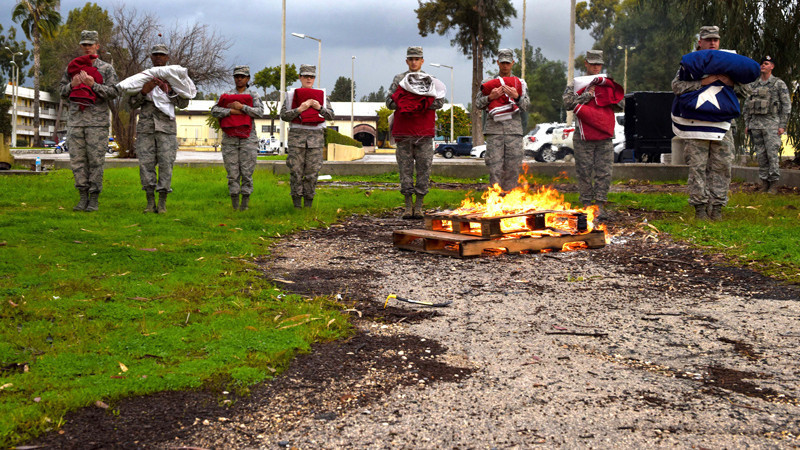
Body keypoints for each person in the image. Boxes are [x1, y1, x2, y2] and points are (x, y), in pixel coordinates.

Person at [671, 26, 754, 221]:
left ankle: (717, 208)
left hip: (722, 126)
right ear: (700, 42)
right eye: (708, 40)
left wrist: (731, 83)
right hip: (695, 124)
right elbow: (676, 87)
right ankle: (699, 208)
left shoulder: (730, 64)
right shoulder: (690, 64)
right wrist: (703, 83)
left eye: (715, 39)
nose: (712, 43)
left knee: (722, 166)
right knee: (698, 167)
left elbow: (748, 91)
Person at [58, 30, 120, 212]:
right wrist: (72, 85)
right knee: (77, 161)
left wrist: (94, 85)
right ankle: (82, 197)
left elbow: (114, 92)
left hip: (97, 123)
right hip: (76, 121)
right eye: (84, 44)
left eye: (90, 44)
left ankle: (94, 199)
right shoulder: (72, 68)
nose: (87, 47)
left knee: (95, 161)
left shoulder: (106, 68)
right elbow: (61, 91)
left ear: (97, 46)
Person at [128, 44, 191, 213]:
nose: (158, 58)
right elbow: (131, 103)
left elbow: (184, 103)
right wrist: (143, 91)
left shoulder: (174, 78)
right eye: (155, 55)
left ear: (167, 58)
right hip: (146, 128)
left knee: (166, 165)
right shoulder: (143, 77)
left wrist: (169, 91)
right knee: (145, 165)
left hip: (166, 129)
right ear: (151, 57)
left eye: (162, 55)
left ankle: (162, 202)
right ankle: (150, 202)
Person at [562, 50, 624, 221]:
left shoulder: (608, 83)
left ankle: (601, 205)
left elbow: (621, 104)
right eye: (593, 63)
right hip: (584, 134)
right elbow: (567, 103)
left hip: (604, 134)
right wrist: (586, 95)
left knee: (604, 172)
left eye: (599, 64)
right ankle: (587, 204)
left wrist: (607, 94)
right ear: (586, 64)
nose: (596, 67)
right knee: (584, 171)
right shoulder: (576, 84)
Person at [386, 46, 445, 219]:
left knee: (424, 169)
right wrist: (406, 102)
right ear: (407, 61)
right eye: (411, 59)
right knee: (405, 170)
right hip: (404, 132)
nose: (414, 62)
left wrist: (419, 102)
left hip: (424, 133)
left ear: (422, 61)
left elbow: (439, 102)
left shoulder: (430, 79)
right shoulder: (399, 79)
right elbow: (389, 102)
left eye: (417, 59)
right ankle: (407, 206)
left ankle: (418, 206)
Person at [475, 48, 530, 193]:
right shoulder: (488, 83)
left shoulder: (519, 83)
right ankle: (496, 203)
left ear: (512, 63)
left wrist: (517, 96)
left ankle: (510, 202)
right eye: (502, 62)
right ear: (497, 63)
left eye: (508, 63)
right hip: (495, 131)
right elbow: (478, 104)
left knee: (513, 169)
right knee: (495, 168)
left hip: (514, 133)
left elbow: (526, 106)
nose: (505, 66)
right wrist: (490, 97)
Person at [279, 64, 334, 208]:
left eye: (312, 76)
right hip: (297, 140)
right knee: (295, 172)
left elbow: (331, 115)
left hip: (315, 140)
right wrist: (299, 109)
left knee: (312, 173)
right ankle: (296, 204)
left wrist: (319, 108)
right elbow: (284, 115)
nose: (309, 79)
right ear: (300, 77)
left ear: (314, 78)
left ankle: (308, 204)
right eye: (305, 76)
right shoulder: (291, 96)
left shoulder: (321, 96)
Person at [211, 66, 264, 210]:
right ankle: (234, 205)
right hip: (230, 138)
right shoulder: (226, 95)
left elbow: (259, 112)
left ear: (248, 79)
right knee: (232, 172)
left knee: (247, 172)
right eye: (236, 76)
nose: (239, 79)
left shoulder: (253, 95)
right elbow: (214, 111)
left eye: (242, 76)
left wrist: (243, 107)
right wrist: (232, 111)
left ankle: (245, 204)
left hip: (248, 139)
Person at [743, 55, 792, 194]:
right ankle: (764, 183)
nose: (763, 66)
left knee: (772, 155)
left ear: (772, 66)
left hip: (772, 125)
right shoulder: (753, 85)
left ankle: (774, 185)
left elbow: (786, 105)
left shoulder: (778, 84)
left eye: (766, 63)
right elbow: (747, 106)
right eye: (762, 64)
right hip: (756, 125)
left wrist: (782, 125)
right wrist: (747, 123)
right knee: (761, 155)